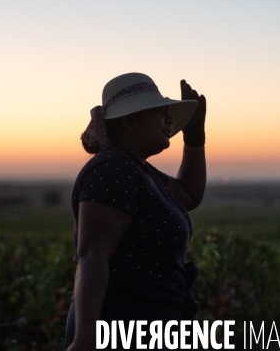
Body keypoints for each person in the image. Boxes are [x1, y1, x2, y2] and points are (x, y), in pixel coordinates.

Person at [65, 72, 207, 351]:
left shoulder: (138, 170)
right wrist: (85, 339)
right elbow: (92, 255)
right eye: (160, 112)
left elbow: (189, 194)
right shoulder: (113, 168)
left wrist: (194, 137)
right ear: (130, 120)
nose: (169, 120)